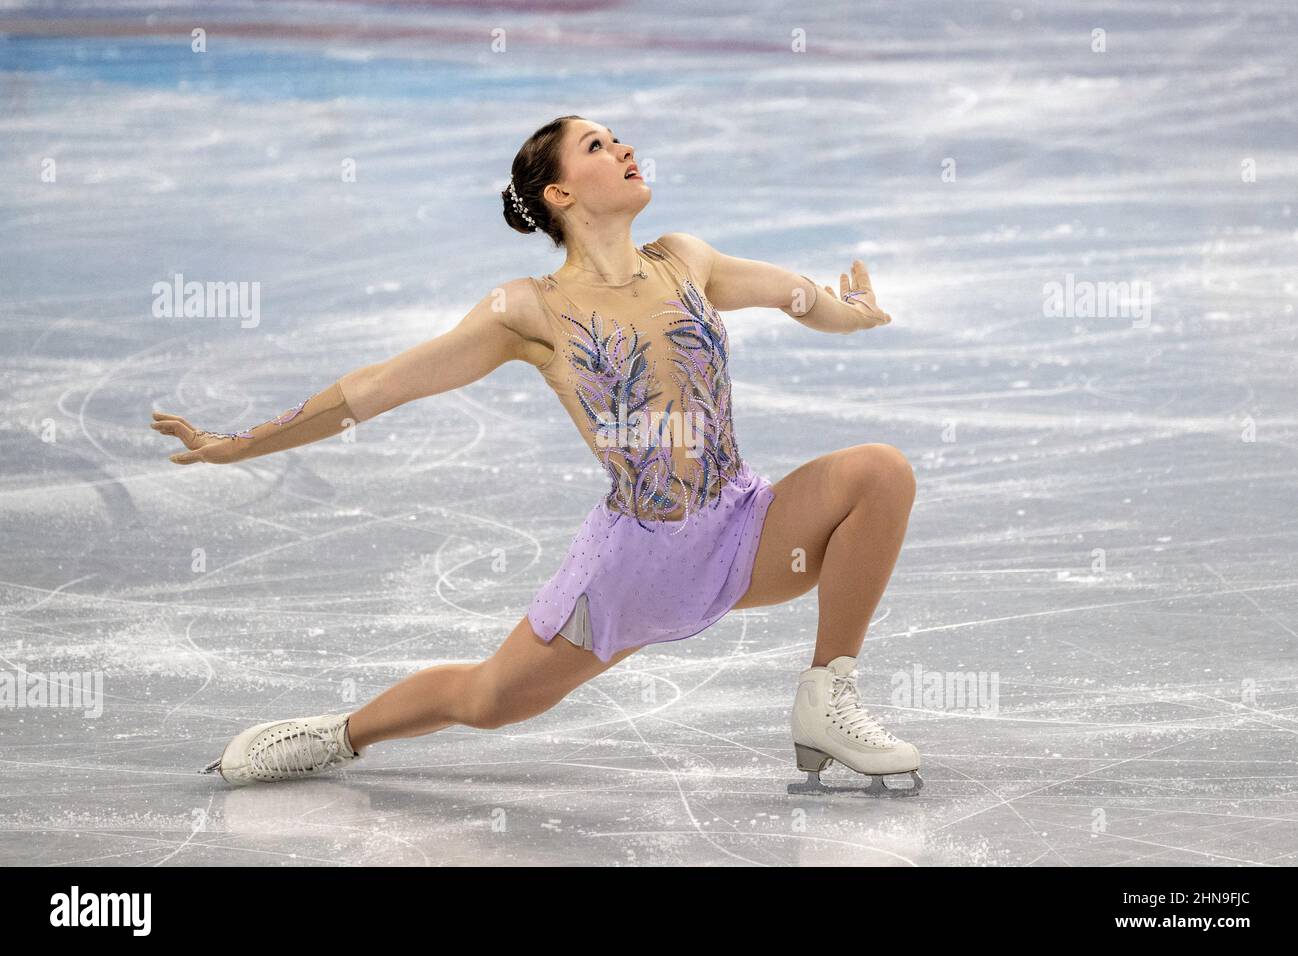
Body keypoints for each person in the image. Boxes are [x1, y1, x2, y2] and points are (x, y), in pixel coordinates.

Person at [155, 115, 921, 795]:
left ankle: (828, 696)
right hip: (634, 571)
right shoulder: (528, 309)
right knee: (489, 699)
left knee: (878, 473)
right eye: (598, 144)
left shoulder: (684, 259)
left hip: (743, 531)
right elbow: (376, 386)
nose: (624, 148)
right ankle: (336, 735)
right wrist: (240, 444)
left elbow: (794, 294)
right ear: (559, 194)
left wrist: (852, 315)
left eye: (617, 138)